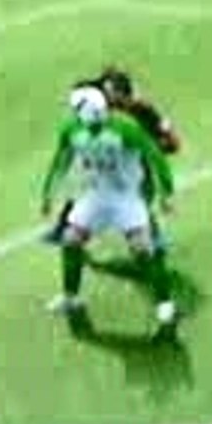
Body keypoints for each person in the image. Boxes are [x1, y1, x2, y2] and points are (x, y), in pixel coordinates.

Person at [40, 85, 177, 328]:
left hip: (126, 197)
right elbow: (61, 160)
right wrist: (48, 193)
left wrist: (166, 193)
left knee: (142, 249)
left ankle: (165, 304)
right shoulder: (72, 129)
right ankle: (71, 298)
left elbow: (154, 155)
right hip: (96, 195)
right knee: (71, 240)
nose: (74, 114)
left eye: (77, 109)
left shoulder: (125, 128)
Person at [43, 66, 180, 253]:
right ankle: (64, 226)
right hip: (101, 154)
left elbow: (173, 142)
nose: (110, 103)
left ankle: (150, 234)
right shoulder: (95, 105)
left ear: (126, 97)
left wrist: (146, 149)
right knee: (86, 185)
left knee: (137, 194)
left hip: (133, 159)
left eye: (116, 99)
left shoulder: (143, 110)